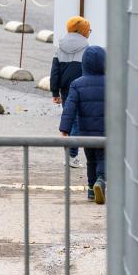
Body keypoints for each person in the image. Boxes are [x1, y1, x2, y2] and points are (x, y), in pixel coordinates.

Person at [59, 45, 107, 204]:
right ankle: (101, 181)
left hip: (85, 132)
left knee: (90, 161)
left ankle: (91, 190)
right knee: (103, 159)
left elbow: (69, 108)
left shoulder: (77, 84)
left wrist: (65, 129)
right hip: (106, 132)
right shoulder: (111, 83)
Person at [51, 16, 92, 169]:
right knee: (77, 121)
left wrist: (55, 92)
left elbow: (54, 70)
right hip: (82, 87)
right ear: (83, 30)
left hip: (65, 89)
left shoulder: (60, 46)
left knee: (69, 118)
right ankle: (72, 155)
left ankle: (70, 153)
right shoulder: (86, 47)